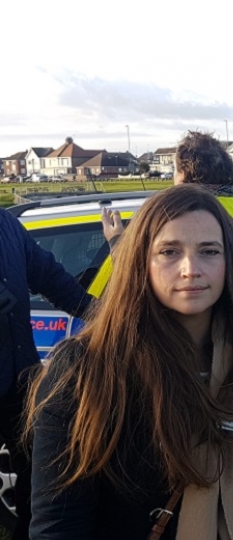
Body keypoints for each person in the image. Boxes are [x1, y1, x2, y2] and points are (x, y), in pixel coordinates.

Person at [28, 185, 233, 539]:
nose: (190, 269)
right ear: (140, 262)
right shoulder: (85, 367)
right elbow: (58, 525)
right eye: (169, 251)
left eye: (209, 251)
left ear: (231, 262)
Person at [0, 208, 93, 540]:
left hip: (21, 382)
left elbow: (52, 279)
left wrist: (108, 318)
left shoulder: (7, 224)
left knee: (33, 478)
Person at [102, 130, 233, 267]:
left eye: (175, 170)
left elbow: (137, 274)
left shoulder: (178, 216)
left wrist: (116, 241)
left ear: (184, 174)